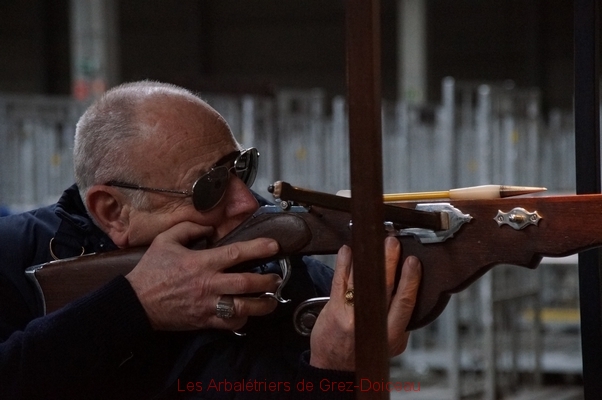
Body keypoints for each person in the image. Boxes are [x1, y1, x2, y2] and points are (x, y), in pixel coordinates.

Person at [0, 81, 422, 399]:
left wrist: (334, 369)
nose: (246, 202)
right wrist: (131, 307)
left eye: (241, 169)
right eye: (209, 187)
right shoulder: (14, 256)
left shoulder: (292, 276)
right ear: (113, 211)